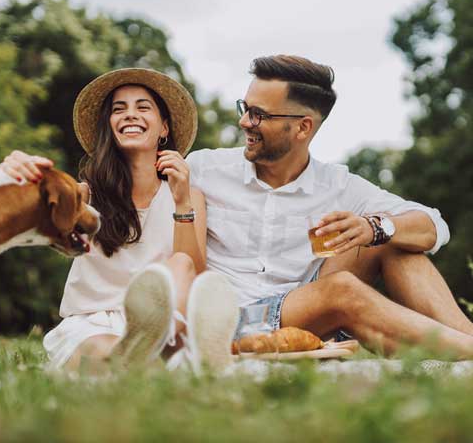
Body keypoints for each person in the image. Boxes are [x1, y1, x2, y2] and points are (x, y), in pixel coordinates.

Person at [186, 54, 473, 358]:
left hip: (302, 315)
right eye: (244, 108)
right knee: (343, 289)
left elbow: (433, 226)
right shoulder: (205, 169)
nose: (244, 122)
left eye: (258, 114)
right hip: (229, 317)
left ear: (302, 128)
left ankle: (466, 341)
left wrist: (374, 227)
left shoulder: (337, 185)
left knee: (390, 240)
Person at [0, 68, 238, 373]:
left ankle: (167, 348)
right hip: (93, 324)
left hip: (167, 323)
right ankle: (171, 358)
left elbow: (194, 276)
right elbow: (29, 218)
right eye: (118, 109)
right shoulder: (86, 195)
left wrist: (181, 203)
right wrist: (15, 176)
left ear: (164, 128)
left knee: (180, 264)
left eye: (142, 107)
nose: (129, 115)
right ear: (110, 126)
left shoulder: (189, 197)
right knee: (104, 350)